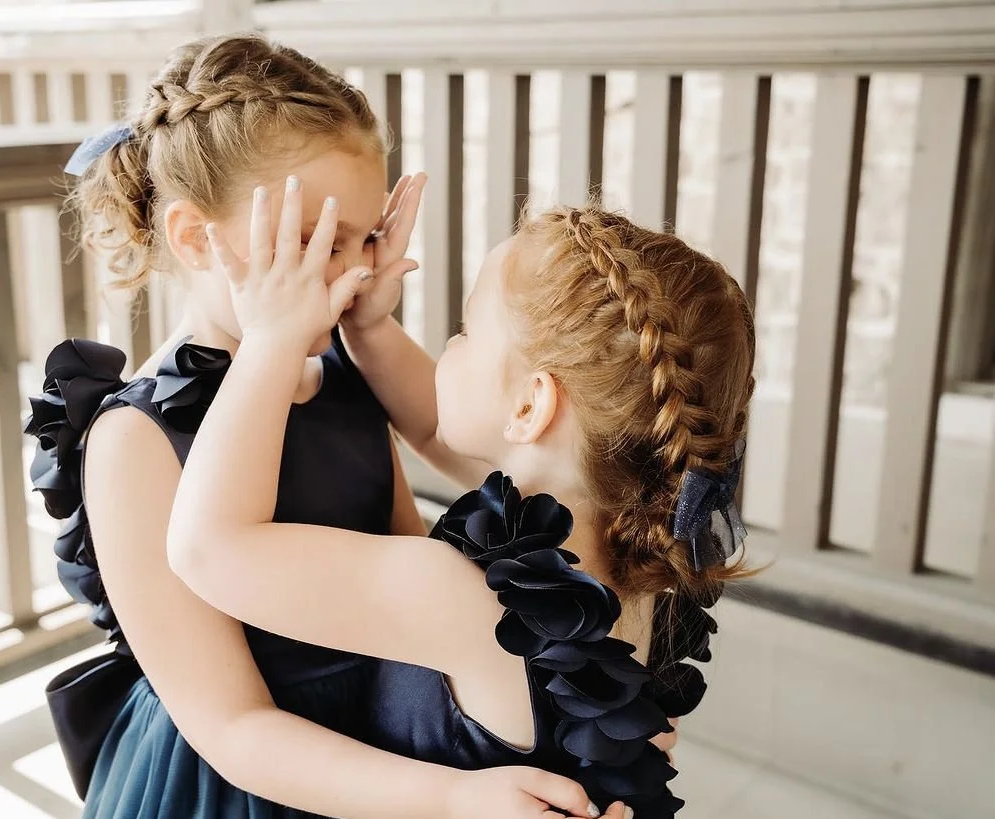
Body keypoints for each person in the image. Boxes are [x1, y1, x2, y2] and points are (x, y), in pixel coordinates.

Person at [26, 33, 615, 818]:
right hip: (245, 780)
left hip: (387, 736)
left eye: (365, 238)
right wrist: (448, 795)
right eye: (316, 242)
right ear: (197, 237)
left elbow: (415, 543)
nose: (355, 272)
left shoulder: (340, 372)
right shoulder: (135, 441)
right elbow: (232, 725)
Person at [167, 180, 756, 817]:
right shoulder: (653, 562)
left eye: (466, 330)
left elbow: (208, 549)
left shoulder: (465, 597)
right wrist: (371, 328)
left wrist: (271, 340)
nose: (448, 347)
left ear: (530, 405)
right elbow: (437, 425)